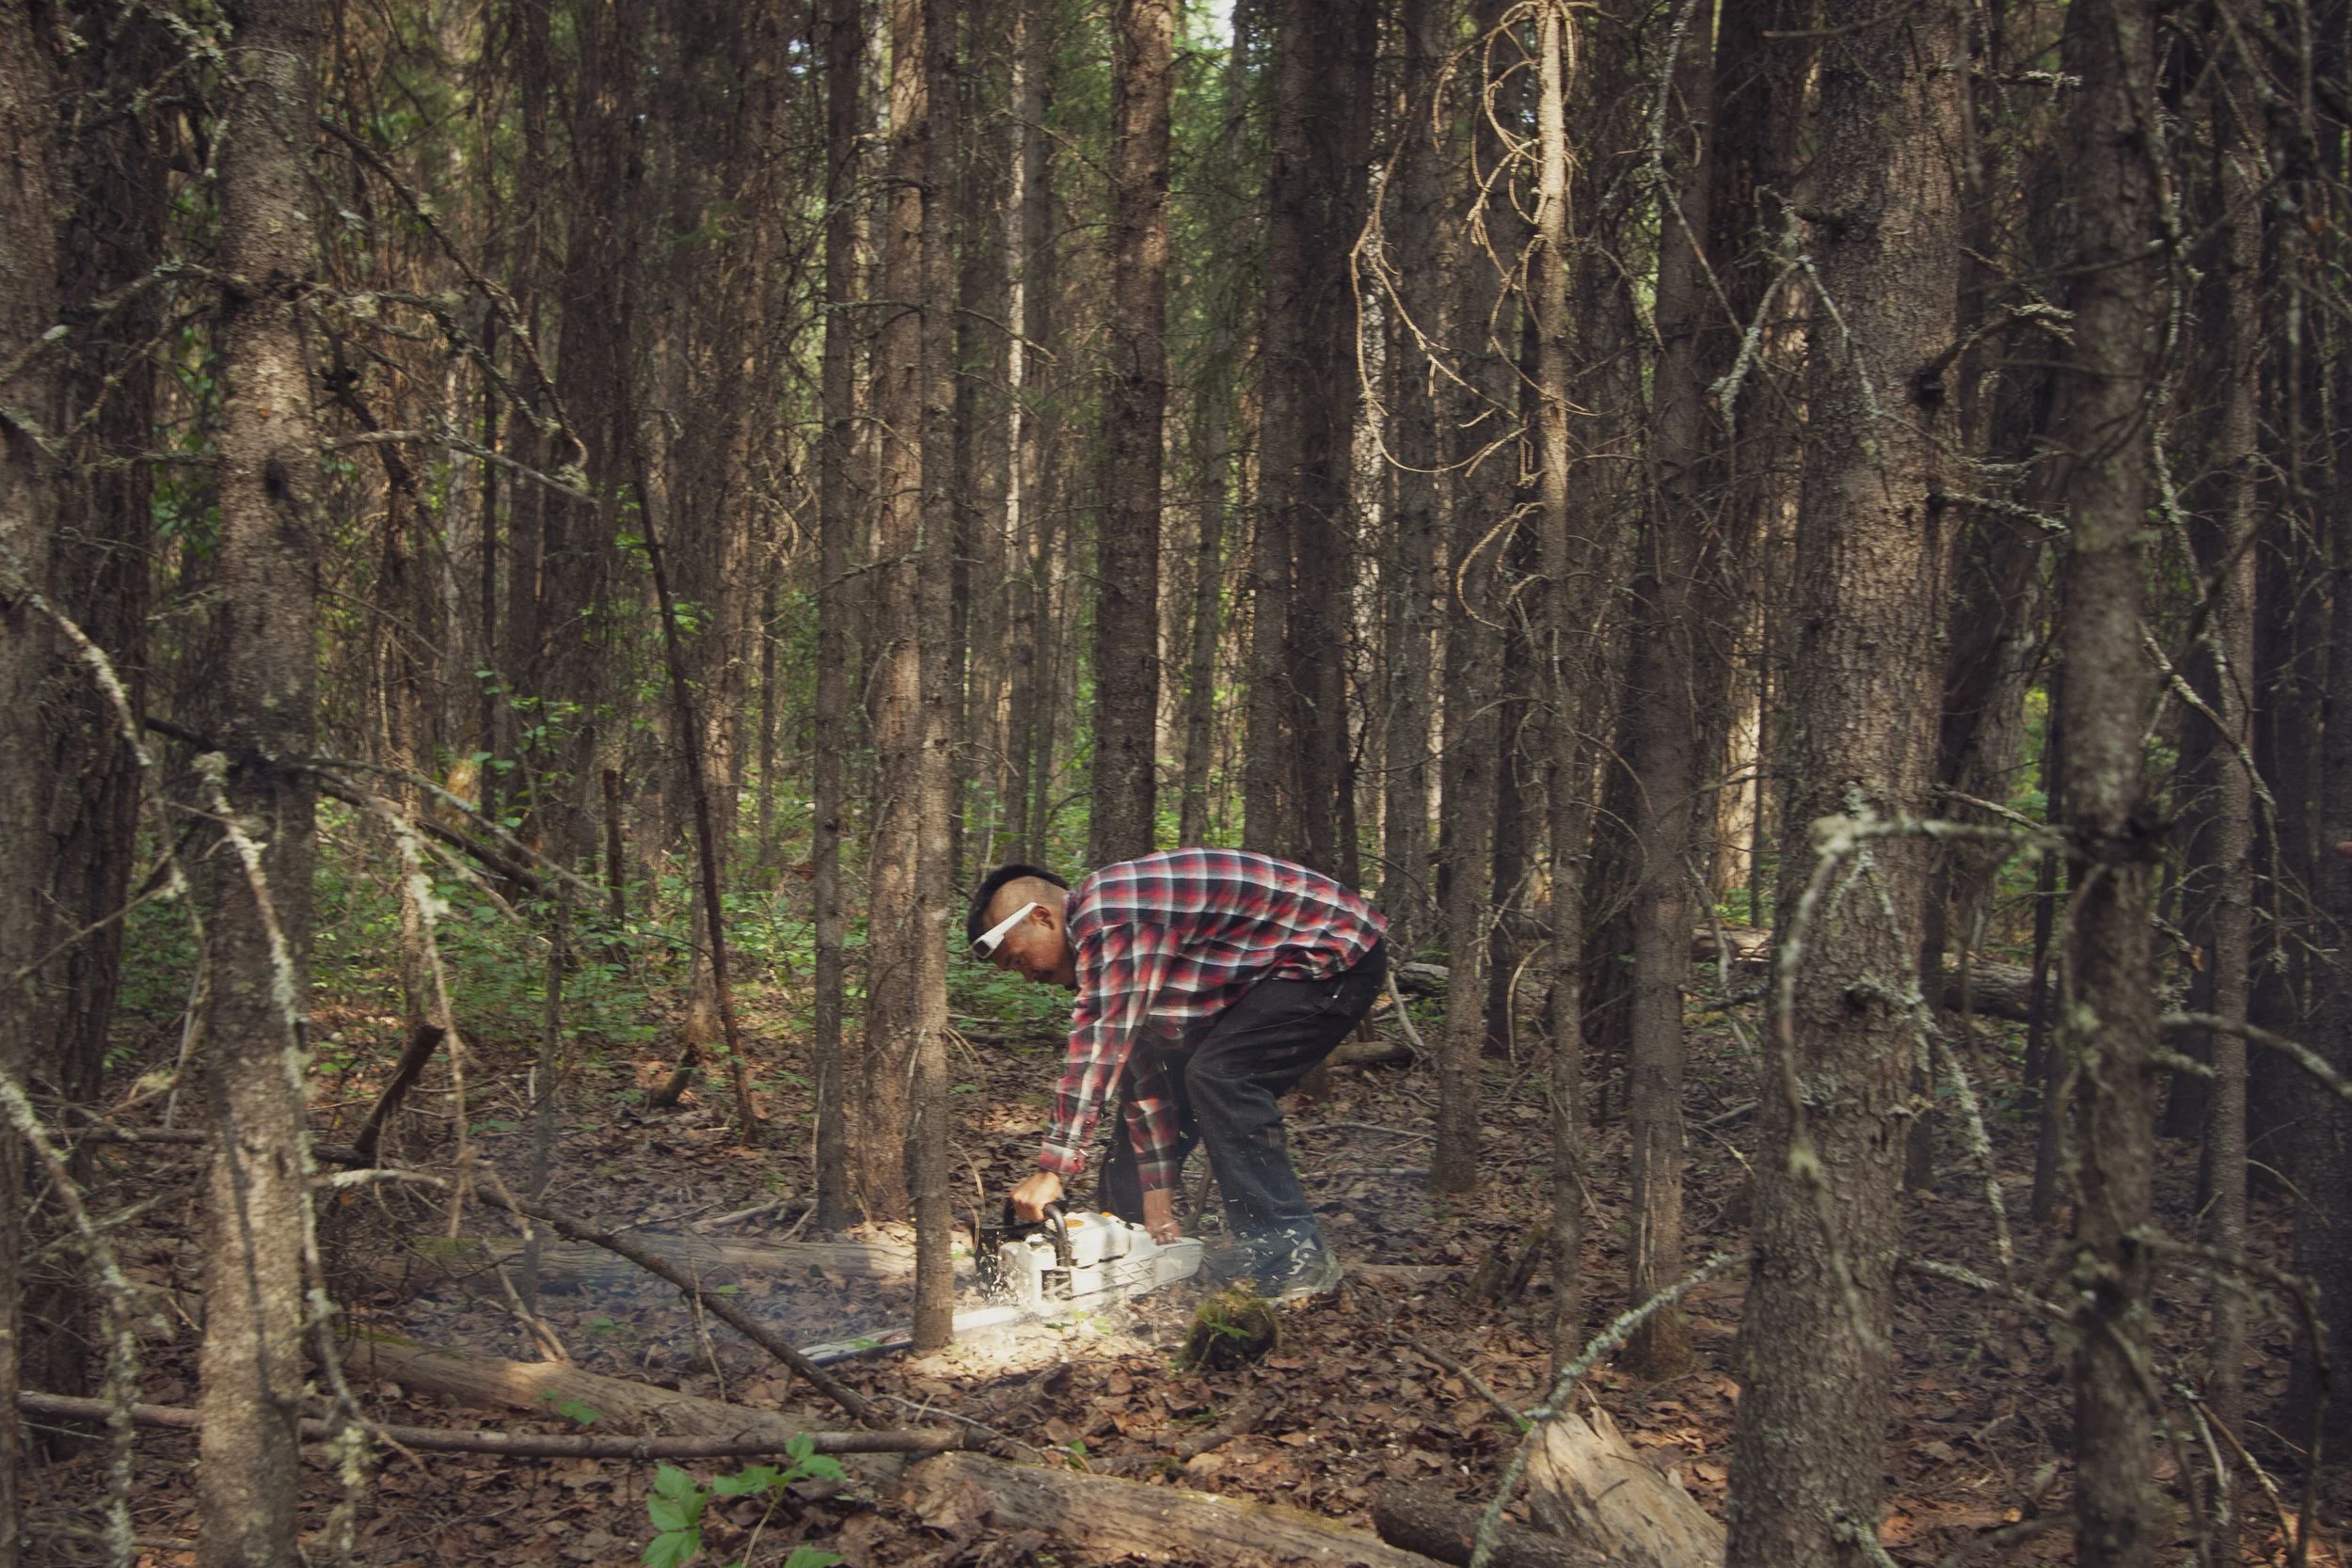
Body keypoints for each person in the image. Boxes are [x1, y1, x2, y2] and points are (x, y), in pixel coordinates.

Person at [965, 847, 1389, 1303]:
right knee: (1164, 1111)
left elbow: (1096, 1051)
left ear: (1043, 918)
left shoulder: (1112, 916)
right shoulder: (1116, 947)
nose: (1026, 977)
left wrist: (1052, 1168)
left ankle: (1291, 1255)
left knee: (1221, 1078)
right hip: (1266, 978)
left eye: (1017, 959)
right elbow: (1142, 1077)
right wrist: (1155, 1188)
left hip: (1333, 954)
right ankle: (1123, 1270)